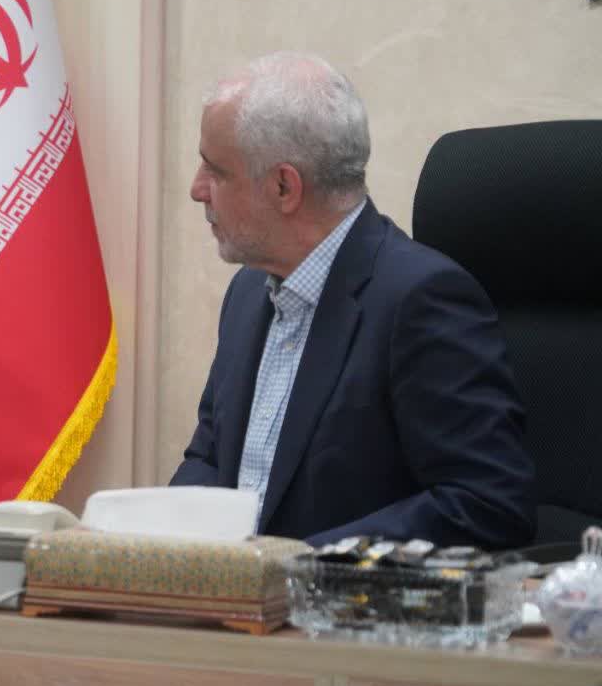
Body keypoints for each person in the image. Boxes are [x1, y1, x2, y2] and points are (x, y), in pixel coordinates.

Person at [170, 52, 534, 548]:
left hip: (340, 595)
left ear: (284, 186)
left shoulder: (421, 300)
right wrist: (155, 543)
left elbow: (485, 503)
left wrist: (299, 562)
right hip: (230, 595)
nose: (197, 190)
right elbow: (210, 461)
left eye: (215, 171)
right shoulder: (248, 293)